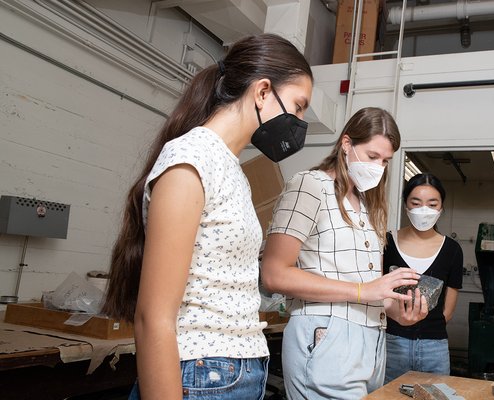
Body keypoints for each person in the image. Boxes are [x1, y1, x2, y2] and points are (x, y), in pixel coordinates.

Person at [102, 33, 313, 400]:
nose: (299, 122)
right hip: (203, 373)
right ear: (263, 92)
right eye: (297, 106)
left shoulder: (229, 166)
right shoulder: (192, 159)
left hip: (232, 369)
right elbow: (154, 317)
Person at [260, 107, 428, 399]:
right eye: (373, 156)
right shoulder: (311, 186)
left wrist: (398, 311)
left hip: (372, 341)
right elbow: (274, 274)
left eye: (386, 161)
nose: (379, 167)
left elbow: (367, 290)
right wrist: (364, 291)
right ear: (346, 144)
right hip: (326, 335)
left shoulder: (367, 205)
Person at [383, 173, 464, 383]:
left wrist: (424, 324)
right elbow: (376, 294)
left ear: (441, 208)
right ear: (406, 206)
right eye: (416, 203)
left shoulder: (452, 250)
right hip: (391, 342)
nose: (423, 210)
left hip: (434, 346)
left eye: (432, 203)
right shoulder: (386, 243)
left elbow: (448, 310)